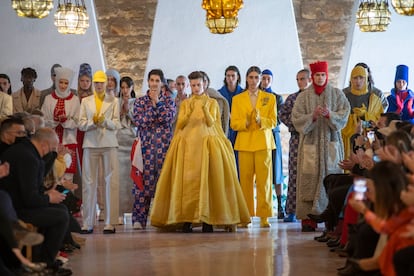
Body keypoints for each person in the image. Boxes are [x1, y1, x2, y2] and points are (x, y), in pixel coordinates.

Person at [150, 71, 250, 232]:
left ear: (205, 84)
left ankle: (207, 219)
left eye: (198, 85)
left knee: (208, 179)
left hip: (207, 143)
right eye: (193, 85)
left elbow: (214, 123)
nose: (196, 88)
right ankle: (186, 218)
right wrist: (187, 112)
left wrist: (205, 111)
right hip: (188, 144)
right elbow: (180, 124)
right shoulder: (185, 103)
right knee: (187, 181)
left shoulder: (212, 103)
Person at [0, 127, 71, 275]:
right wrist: (48, 197)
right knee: (61, 216)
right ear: (44, 144)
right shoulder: (29, 158)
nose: (50, 153)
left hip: (16, 203)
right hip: (16, 209)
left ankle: (42, 260)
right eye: (51, 149)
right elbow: (30, 199)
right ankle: (46, 263)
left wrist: (46, 193)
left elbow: (30, 190)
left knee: (61, 210)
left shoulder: (26, 151)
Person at [292, 61, 350, 232]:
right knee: (309, 178)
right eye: (317, 75)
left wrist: (330, 114)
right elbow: (297, 118)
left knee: (332, 177)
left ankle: (331, 218)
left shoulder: (337, 94)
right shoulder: (303, 97)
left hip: (331, 143)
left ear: (327, 75)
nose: (319, 78)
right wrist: (313, 116)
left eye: (322, 75)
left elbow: (344, 113)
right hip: (310, 144)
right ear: (312, 77)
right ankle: (308, 219)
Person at [230, 66, 276, 227]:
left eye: (257, 77)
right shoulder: (237, 99)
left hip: (263, 143)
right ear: (246, 78)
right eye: (251, 77)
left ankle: (265, 216)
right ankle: (246, 216)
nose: (254, 81)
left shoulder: (270, 98)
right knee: (246, 182)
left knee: (264, 182)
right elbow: (234, 123)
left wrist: (260, 120)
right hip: (244, 144)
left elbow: (273, 121)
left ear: (261, 79)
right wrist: (246, 122)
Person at [131, 69, 175, 230]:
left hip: (164, 147)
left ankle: (164, 218)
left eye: (157, 80)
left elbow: (167, 118)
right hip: (145, 148)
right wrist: (154, 106)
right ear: (148, 82)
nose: (154, 83)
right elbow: (141, 121)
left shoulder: (169, 101)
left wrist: (158, 103)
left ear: (162, 83)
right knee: (142, 182)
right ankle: (139, 219)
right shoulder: (140, 101)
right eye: (152, 80)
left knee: (164, 181)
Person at [78, 70, 120, 234]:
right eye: (96, 82)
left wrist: (105, 121)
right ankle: (87, 222)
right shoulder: (85, 101)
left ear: (106, 83)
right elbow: (81, 124)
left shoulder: (114, 101)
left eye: (102, 82)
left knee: (110, 181)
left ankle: (110, 222)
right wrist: (92, 123)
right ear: (93, 84)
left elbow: (117, 124)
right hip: (90, 143)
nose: (99, 85)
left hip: (108, 143)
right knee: (89, 182)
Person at [279, 69, 312, 223]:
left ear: (309, 79)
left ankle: (312, 211)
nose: (300, 82)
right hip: (296, 139)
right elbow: (282, 115)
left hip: (312, 140)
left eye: (303, 79)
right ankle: (291, 210)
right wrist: (297, 125)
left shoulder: (315, 98)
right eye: (298, 79)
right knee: (294, 174)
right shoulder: (292, 98)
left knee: (311, 174)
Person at [41, 67, 80, 182]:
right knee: (50, 174)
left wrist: (65, 121)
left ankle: (67, 199)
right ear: (56, 82)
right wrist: (53, 120)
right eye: (61, 82)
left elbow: (77, 121)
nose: (63, 86)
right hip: (50, 143)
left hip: (68, 141)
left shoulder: (75, 100)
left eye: (66, 83)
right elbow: (42, 120)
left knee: (67, 177)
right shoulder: (48, 99)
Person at [341, 65, 384, 162]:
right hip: (347, 141)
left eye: (361, 78)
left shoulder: (374, 99)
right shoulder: (343, 98)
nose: (358, 81)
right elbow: (339, 120)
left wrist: (365, 116)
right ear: (351, 79)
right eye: (355, 78)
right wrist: (352, 118)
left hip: (368, 140)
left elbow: (379, 122)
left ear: (366, 79)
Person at [260, 69, 285, 219]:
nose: (265, 81)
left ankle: (280, 205)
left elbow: (279, 118)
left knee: (276, 170)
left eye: (268, 78)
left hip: (272, 134)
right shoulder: (256, 96)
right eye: (263, 78)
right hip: (258, 136)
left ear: (272, 80)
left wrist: (265, 120)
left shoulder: (277, 98)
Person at [117, 76, 136, 218]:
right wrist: (121, 110)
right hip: (118, 140)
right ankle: (119, 211)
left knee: (131, 177)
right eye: (122, 87)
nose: (125, 90)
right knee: (119, 177)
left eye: (127, 87)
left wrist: (128, 110)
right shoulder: (115, 102)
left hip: (131, 140)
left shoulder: (137, 102)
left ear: (132, 88)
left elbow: (138, 121)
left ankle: (132, 210)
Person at [218, 65, 244, 145]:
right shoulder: (219, 94)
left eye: (233, 76)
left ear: (238, 77)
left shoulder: (244, 93)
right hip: (224, 128)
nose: (230, 78)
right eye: (228, 76)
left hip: (240, 128)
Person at [201, 71, 230, 136]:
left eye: (204, 81)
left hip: (214, 133)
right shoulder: (190, 99)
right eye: (200, 81)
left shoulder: (216, 97)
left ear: (208, 82)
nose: (202, 84)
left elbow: (219, 118)